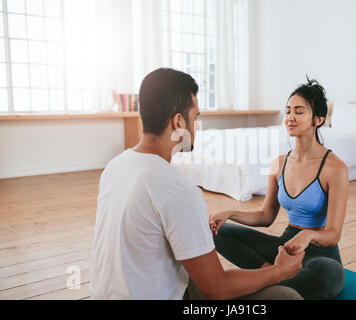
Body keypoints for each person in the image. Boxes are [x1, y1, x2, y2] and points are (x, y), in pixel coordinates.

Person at [89, 67, 304, 300]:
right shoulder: (179, 190)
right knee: (286, 297)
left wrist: (195, 227)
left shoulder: (115, 167)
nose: (197, 126)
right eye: (195, 118)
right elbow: (218, 288)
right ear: (179, 122)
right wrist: (279, 271)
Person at [210, 77, 348, 300]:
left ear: (318, 119)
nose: (290, 118)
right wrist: (229, 213)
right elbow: (266, 216)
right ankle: (274, 276)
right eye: (288, 111)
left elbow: (333, 234)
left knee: (329, 276)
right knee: (217, 232)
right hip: (284, 246)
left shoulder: (335, 168)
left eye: (299, 111)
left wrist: (307, 236)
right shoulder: (279, 163)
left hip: (320, 252)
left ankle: (266, 280)